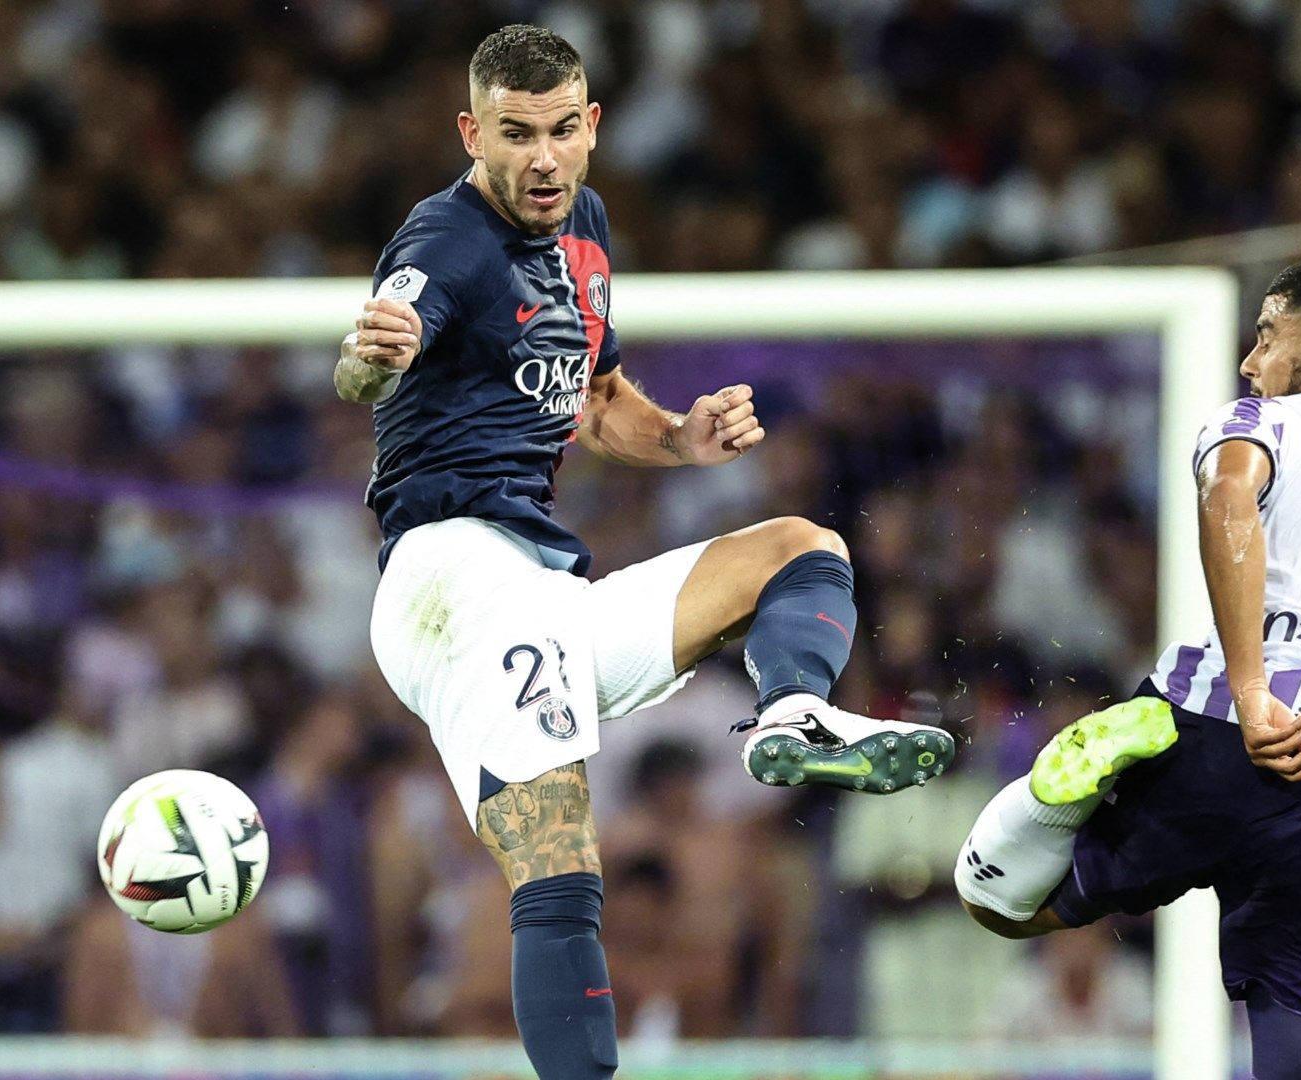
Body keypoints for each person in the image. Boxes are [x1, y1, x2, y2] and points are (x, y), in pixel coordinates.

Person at [333, 25, 955, 1080]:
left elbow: (597, 398)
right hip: (452, 578)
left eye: (561, 130)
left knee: (799, 548)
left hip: (543, 585)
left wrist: (679, 439)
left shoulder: (585, 225)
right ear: (470, 132)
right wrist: (365, 358)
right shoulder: (440, 242)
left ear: (593, 127)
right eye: (516, 134)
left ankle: (793, 707)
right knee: (559, 859)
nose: (541, 157)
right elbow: (369, 362)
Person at [952, 255, 1301, 1080]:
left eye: (1265, 335)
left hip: (1220, 733)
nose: (1250, 364)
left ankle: (1047, 804)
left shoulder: (1264, 423)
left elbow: (1229, 501)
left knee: (1003, 905)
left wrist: (1255, 693)